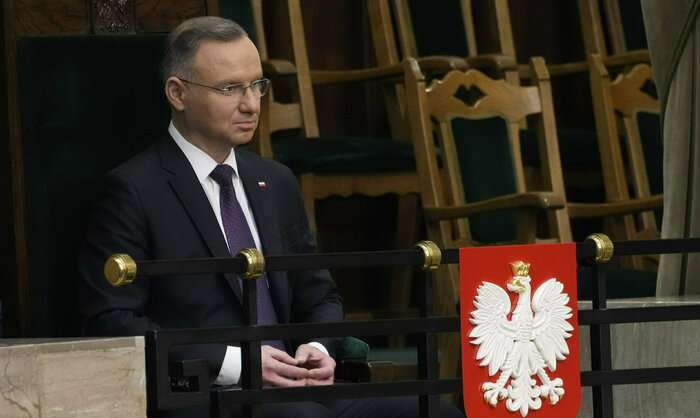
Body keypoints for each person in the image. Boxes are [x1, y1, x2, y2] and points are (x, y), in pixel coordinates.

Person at [76, 16, 462, 418]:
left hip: (302, 386)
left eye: (257, 85)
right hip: (211, 393)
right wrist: (236, 362)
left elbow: (321, 297)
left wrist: (317, 347)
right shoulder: (134, 189)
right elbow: (109, 321)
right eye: (230, 88)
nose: (250, 103)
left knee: (437, 413)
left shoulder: (274, 180)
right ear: (178, 93)